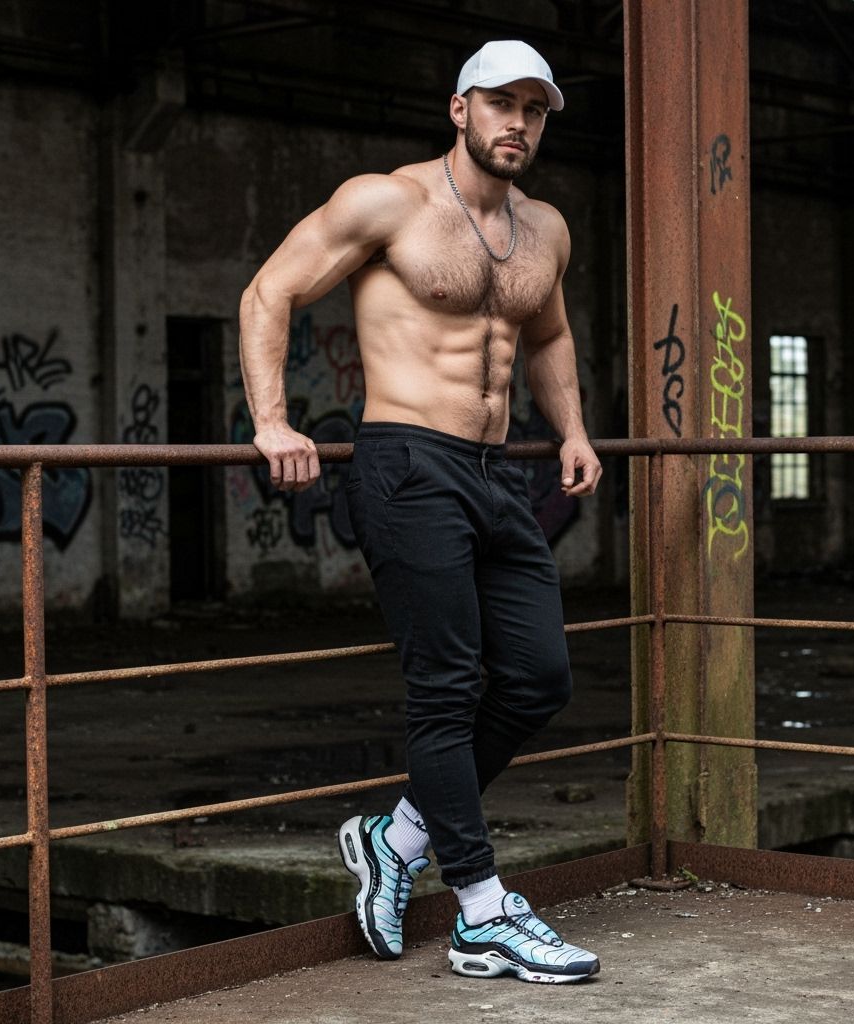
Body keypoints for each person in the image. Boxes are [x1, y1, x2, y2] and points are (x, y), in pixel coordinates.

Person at [239, 39, 602, 984]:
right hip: (407, 464)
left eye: (536, 108)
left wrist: (572, 429)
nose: (519, 121)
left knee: (539, 676)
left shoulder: (546, 230)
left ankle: (395, 837)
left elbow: (549, 334)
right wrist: (272, 422)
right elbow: (269, 290)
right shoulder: (387, 201)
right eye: (502, 103)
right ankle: (482, 910)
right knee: (445, 688)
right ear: (460, 109)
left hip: (495, 472)